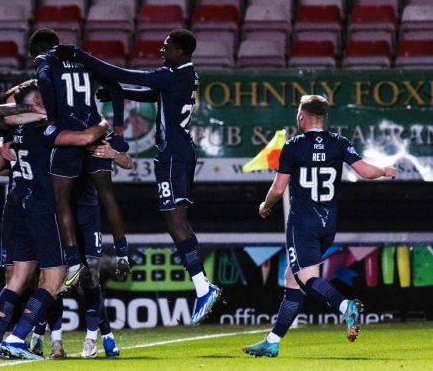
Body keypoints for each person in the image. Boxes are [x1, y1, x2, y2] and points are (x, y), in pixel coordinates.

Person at [54, 29, 221, 325]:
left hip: (172, 155)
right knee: (177, 218)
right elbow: (146, 92)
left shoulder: (172, 75)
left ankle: (202, 287)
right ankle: (202, 285)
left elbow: (127, 75)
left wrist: (82, 57)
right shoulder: (185, 76)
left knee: (174, 220)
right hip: (182, 152)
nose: (162, 49)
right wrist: (116, 90)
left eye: (167, 46)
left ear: (180, 52)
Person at [242, 95, 397, 357]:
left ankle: (345, 306)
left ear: (302, 115)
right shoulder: (339, 143)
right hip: (328, 225)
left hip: (302, 224)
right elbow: (365, 172)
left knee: (306, 278)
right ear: (324, 117)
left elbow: (279, 188)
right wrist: (384, 170)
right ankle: (273, 340)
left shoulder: (293, 146)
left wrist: (264, 205)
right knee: (294, 279)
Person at [0, 79, 108, 360]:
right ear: (38, 102)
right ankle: (17, 339)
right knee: (55, 278)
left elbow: (2, 123)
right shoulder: (45, 130)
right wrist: (102, 122)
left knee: (17, 278)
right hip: (45, 211)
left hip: (24, 210)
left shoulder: (19, 131)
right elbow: (86, 138)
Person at [28, 29, 131, 291]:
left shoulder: (45, 61)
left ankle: (73, 263)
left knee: (61, 198)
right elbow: (116, 87)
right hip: (95, 127)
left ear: (37, 51)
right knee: (107, 194)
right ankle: (122, 252)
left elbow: (45, 82)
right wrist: (118, 127)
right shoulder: (84, 59)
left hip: (69, 131)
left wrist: (52, 118)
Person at [30, 137, 131, 359]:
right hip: (60, 217)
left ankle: (92, 339)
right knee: (54, 279)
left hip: (88, 216)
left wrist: (113, 153)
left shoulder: (97, 143)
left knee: (90, 279)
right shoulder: (57, 139)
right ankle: (55, 341)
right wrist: (2, 142)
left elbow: (128, 162)